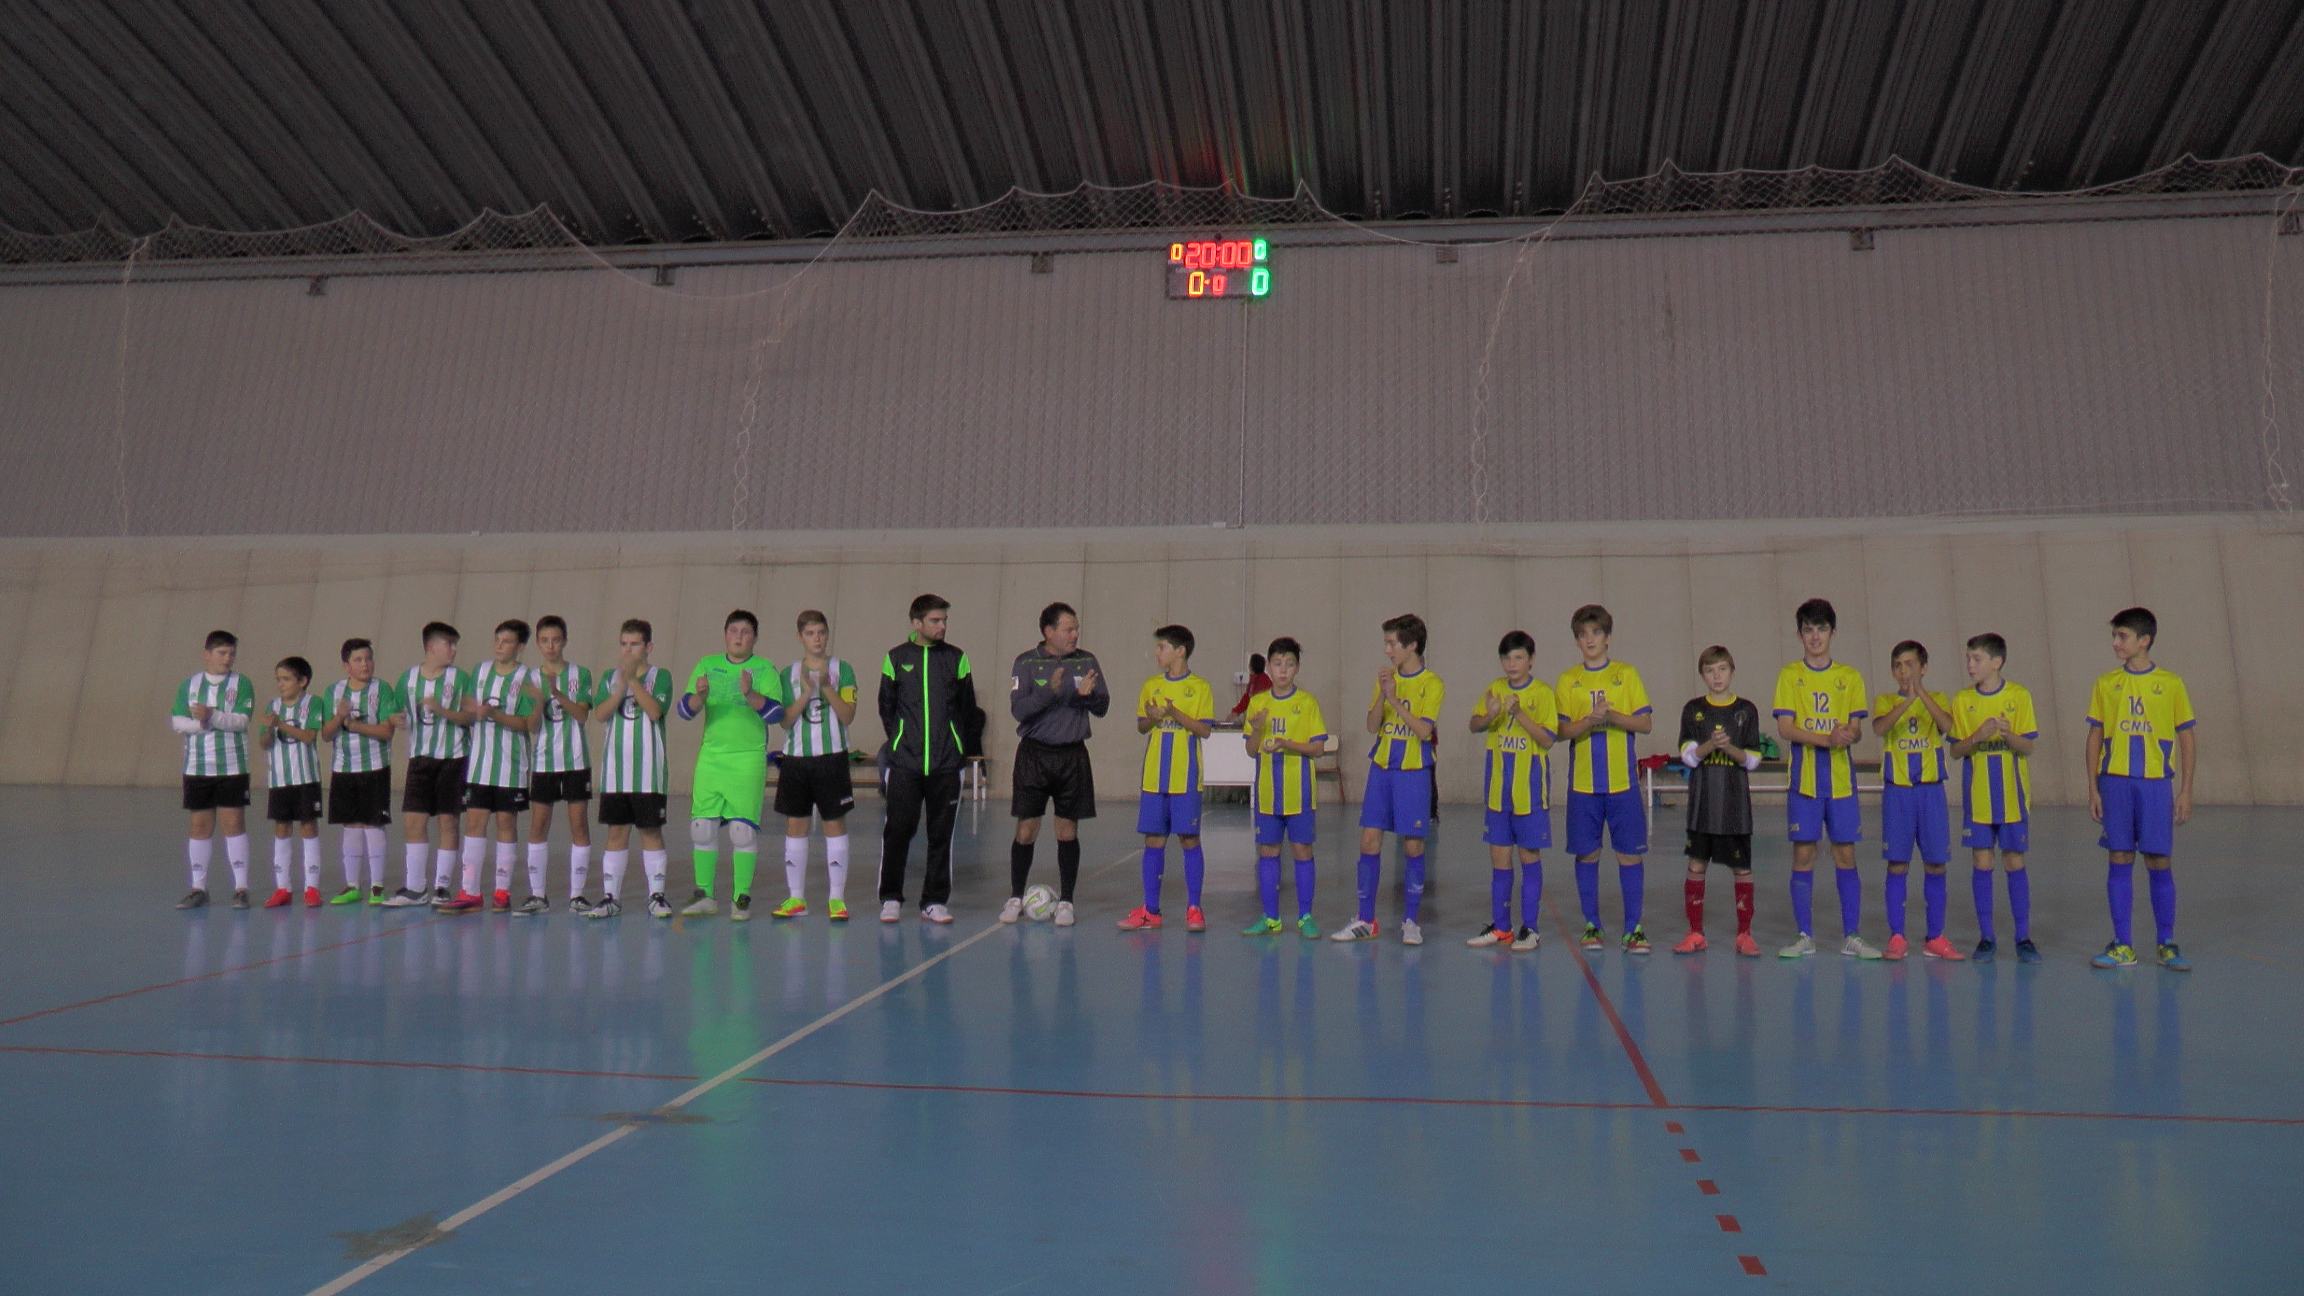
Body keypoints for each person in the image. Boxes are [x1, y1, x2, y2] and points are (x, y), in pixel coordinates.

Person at [2085, 607, 2196, 971]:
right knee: (2119, 857)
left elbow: (2186, 737)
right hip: (2115, 782)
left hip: (2154, 785)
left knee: (2158, 860)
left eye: (2122, 636)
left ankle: (2166, 943)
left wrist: (2186, 790)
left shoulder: (2171, 683)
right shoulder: (2105, 683)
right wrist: (2093, 788)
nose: (2115, 643)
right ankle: (2123, 945)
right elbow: (2095, 736)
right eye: (2114, 636)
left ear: (2144, 640)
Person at [1773, 599, 1874, 959]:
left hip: (1841, 783)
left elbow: (1857, 729)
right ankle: (1805, 935)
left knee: (1845, 854)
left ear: (1833, 632)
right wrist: (1826, 739)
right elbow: (1786, 729)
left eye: (1822, 629)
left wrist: (1847, 734)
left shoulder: (1850, 677)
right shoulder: (1790, 675)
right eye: (1808, 630)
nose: (1815, 637)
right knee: (1804, 854)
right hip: (1804, 782)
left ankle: (1852, 935)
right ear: (1800, 635)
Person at [1335, 613, 1444, 945]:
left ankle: (1411, 921)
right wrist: (1383, 694)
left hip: (1413, 771)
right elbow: (1372, 726)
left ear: (1412, 645)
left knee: (1413, 845)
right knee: (1369, 840)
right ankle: (1366, 919)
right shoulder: (1385, 679)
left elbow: (1424, 731)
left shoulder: (1432, 683)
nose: (1387, 650)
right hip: (1382, 768)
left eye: (1392, 644)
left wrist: (1395, 698)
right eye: (1386, 643)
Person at [1555, 605, 1654, 953]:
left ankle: (1633, 929)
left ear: (1608, 637)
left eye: (1596, 633)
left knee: (1629, 855)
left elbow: (1645, 723)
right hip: (1583, 785)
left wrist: (1612, 717)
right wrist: (1589, 721)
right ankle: (1592, 925)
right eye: (1583, 635)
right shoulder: (1568, 680)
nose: (1590, 640)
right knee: (1587, 854)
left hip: (1622, 783)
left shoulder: (1626, 674)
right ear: (1576, 641)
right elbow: (1561, 731)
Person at [677, 610, 788, 920]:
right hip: (712, 758)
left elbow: (776, 714)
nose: (739, 637)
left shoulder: (764, 669)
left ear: (755, 637)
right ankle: (705, 895)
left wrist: (749, 693)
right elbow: (685, 711)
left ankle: (741, 898)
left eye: (746, 632)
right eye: (734, 631)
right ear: (725, 634)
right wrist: (700, 696)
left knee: (742, 831)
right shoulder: (706, 665)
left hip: (747, 758)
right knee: (702, 828)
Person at [1004, 602, 1108, 927]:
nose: (1075, 635)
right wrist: (1049, 692)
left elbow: (1102, 707)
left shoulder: (1087, 661)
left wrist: (1087, 696)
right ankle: (1015, 896)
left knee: (1067, 830)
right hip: (1034, 755)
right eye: (1068, 629)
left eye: (1076, 629)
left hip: (1072, 756)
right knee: (1026, 829)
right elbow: (1019, 710)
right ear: (1049, 632)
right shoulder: (1026, 662)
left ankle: (1066, 901)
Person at [1949, 633, 2039, 963]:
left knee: (2014, 862)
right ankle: (1986, 937)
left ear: (1996, 662)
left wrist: (2006, 734)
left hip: (2012, 798)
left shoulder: (2019, 696)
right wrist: (1977, 736)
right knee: (1981, 863)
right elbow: (1956, 750)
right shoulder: (1962, 700)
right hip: (1978, 801)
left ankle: (2023, 937)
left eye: (1977, 659)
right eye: (1968, 659)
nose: (1970, 665)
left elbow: (2028, 746)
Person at [1120, 625, 1216, 931]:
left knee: (1189, 839)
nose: (1156, 653)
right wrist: (1152, 718)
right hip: (1154, 777)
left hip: (1185, 777)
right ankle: (1151, 910)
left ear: (1180, 651)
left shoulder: (1200, 687)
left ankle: (1194, 909)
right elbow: (1141, 727)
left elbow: (1204, 730)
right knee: (1153, 839)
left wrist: (1175, 714)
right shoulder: (1151, 685)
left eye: (1162, 647)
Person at [442, 620, 541, 913]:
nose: (500, 645)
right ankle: (470, 890)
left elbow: (527, 724)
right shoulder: (481, 671)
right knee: (474, 823)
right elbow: (470, 710)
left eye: (507, 641)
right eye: (497, 639)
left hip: (511, 764)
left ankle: (502, 891)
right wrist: (470, 709)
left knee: (505, 823)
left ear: (520, 647)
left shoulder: (526, 678)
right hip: (479, 765)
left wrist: (493, 714)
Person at [1872, 641, 1961, 961]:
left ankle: (1935, 936)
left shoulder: (1937, 699)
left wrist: (1920, 695)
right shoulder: (1885, 701)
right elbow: (1880, 727)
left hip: (1930, 791)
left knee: (1936, 863)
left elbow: (1948, 727)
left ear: (1923, 668)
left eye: (1909, 664)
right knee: (1897, 863)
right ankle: (1897, 936)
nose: (1903, 671)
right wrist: (1907, 701)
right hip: (1898, 791)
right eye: (1897, 665)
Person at [1674, 646, 1763, 956]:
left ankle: (1745, 934)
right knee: (1696, 864)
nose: (1717, 676)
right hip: (1702, 805)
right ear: (1702, 675)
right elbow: (1688, 757)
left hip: (1735, 806)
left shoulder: (1746, 710)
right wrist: (1710, 745)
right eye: (1710, 671)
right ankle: (1695, 932)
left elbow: (1753, 759)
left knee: (1742, 867)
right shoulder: (1693, 709)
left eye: (1722, 669)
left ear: (1732, 671)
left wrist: (1729, 749)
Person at [1468, 631, 1554, 951]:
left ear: (1531, 660)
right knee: (1499, 858)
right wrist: (1490, 715)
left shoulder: (1543, 693)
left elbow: (1547, 739)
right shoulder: (1495, 688)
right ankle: (1502, 926)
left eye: (1519, 657)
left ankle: (1530, 928)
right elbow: (1474, 725)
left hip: (1529, 791)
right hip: (1497, 790)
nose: (1512, 664)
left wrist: (1519, 714)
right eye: (1507, 658)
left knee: (1528, 856)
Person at [773, 610, 860, 922]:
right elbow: (784, 721)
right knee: (796, 826)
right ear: (800, 638)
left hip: (831, 757)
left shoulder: (842, 669)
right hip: (796, 759)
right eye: (810, 634)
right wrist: (807, 692)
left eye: (821, 632)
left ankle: (836, 898)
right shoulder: (788, 674)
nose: (817, 639)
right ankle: (796, 897)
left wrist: (826, 688)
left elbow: (848, 715)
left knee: (833, 823)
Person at [586, 620, 673, 919]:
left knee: (650, 831)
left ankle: (656, 896)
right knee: (616, 832)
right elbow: (600, 714)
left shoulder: (661, 676)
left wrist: (633, 681)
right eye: (624, 644)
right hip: (615, 773)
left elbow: (655, 711)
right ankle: (611, 897)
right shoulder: (609, 678)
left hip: (648, 773)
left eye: (634, 644)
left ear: (648, 647)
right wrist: (619, 689)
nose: (628, 650)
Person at [1242, 637, 1326, 938]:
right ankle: (1271, 917)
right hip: (1268, 794)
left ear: (1297, 668)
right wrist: (1257, 729)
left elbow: (1318, 748)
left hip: (1299, 793)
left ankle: (1305, 916)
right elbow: (1251, 750)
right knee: (1268, 850)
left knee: (1302, 850)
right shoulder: (1258, 703)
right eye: (1277, 664)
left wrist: (1288, 744)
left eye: (1289, 664)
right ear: (1268, 666)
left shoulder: (1307, 703)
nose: (1283, 670)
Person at [172, 631, 256, 909]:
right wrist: (201, 725)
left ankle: (241, 888)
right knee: (199, 826)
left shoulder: (242, 683)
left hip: (232, 765)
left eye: (231, 653)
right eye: (222, 653)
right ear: (206, 654)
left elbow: (242, 721)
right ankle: (199, 888)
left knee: (233, 823)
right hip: (197, 766)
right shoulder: (190, 685)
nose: (227, 658)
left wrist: (213, 716)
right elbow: (178, 721)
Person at [397, 622, 475, 906]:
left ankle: (442, 886)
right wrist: (396, 719)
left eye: (455, 645)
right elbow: (397, 711)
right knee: (413, 821)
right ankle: (415, 887)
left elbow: (469, 717)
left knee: (448, 820)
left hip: (452, 759)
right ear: (431, 647)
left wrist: (442, 710)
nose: (454, 650)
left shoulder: (461, 678)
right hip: (420, 759)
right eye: (448, 644)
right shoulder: (408, 679)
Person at [321, 639, 403, 905]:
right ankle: (352, 886)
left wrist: (353, 725)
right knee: (351, 825)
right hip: (344, 767)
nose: (365, 664)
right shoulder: (334, 691)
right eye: (358, 660)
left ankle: (377, 886)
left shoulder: (382, 689)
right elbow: (326, 734)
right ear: (346, 666)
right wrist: (338, 718)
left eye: (368, 658)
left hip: (375, 767)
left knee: (373, 823)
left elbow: (386, 731)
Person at [524, 615, 594, 916]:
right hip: (543, 761)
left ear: (564, 641)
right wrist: (539, 700)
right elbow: (532, 725)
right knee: (539, 825)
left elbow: (582, 715)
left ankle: (577, 895)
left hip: (576, 761)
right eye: (544, 641)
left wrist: (556, 693)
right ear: (538, 644)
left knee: (578, 824)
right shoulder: (529, 679)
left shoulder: (581, 674)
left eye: (555, 640)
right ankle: (538, 895)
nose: (550, 646)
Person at [256, 656, 325, 908]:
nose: (281, 684)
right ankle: (283, 888)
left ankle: (312, 888)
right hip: (280, 779)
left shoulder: (313, 703)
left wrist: (280, 724)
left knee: (308, 826)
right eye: (278, 679)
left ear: (302, 681)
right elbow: (264, 744)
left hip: (306, 777)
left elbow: (308, 736)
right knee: (282, 828)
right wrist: (268, 729)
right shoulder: (273, 706)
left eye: (286, 679)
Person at [1226, 652, 1272, 718]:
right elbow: (1247, 698)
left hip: (1262, 717)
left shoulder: (1263, 681)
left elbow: (1253, 700)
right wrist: (1236, 712)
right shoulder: (1254, 680)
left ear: (1252, 666)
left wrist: (1236, 712)